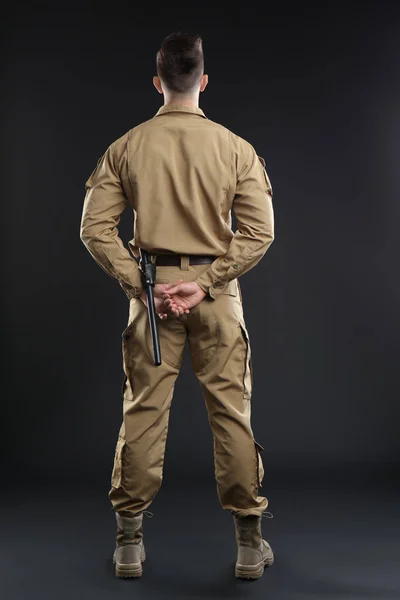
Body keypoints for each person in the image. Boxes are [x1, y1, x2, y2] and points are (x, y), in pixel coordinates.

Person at [80, 31, 275, 581]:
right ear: (204, 81)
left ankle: (128, 544)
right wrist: (208, 282)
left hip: (151, 294)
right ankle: (247, 545)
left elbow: (94, 228)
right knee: (231, 412)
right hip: (217, 298)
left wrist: (140, 286)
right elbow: (259, 233)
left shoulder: (127, 146)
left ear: (158, 81)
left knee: (143, 411)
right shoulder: (236, 148)